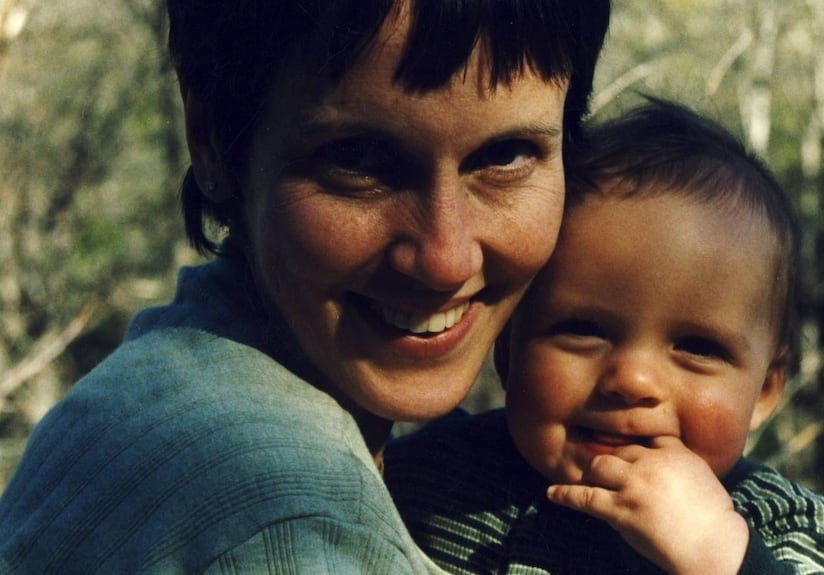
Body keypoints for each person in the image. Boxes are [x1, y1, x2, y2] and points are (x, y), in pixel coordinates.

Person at [0, 1, 610, 573]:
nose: (444, 259)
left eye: (506, 154)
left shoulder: (157, 381)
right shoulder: (287, 509)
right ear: (211, 139)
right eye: (359, 160)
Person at [385, 99, 824, 574]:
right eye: (584, 330)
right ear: (507, 349)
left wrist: (719, 556)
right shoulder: (434, 478)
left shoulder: (788, 526)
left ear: (765, 390)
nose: (632, 379)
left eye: (697, 347)